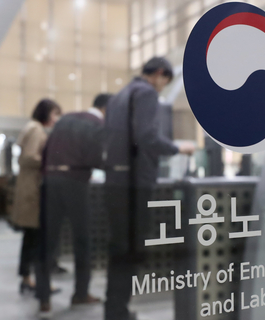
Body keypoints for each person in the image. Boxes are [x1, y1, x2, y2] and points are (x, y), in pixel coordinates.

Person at [103, 57, 195, 320]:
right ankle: (117, 312)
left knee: (119, 248)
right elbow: (146, 135)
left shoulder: (119, 96)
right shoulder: (145, 93)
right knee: (131, 249)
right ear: (158, 74)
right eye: (165, 82)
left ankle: (115, 309)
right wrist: (178, 148)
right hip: (135, 183)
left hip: (116, 180)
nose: (163, 88)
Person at [35, 94, 112, 316]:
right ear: (106, 109)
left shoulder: (65, 119)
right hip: (75, 184)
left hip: (50, 181)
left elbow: (47, 150)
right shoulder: (98, 124)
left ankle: (43, 298)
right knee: (82, 240)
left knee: (47, 241)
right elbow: (95, 158)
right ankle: (80, 294)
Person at [11, 99, 62, 294]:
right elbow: (29, 157)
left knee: (31, 238)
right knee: (36, 239)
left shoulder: (32, 128)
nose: (57, 119)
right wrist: (53, 161)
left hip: (29, 187)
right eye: (55, 114)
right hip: (33, 190)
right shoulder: (36, 130)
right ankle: (36, 282)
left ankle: (28, 278)